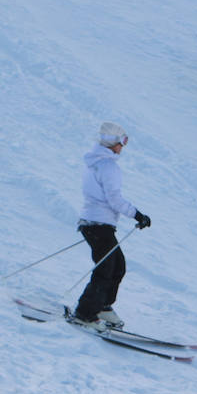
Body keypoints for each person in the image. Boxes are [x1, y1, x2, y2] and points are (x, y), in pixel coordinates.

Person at [72, 122, 151, 329]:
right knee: (106, 269)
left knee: (117, 266)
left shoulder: (95, 163)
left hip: (94, 223)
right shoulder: (108, 167)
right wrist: (138, 215)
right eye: (122, 142)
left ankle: (103, 306)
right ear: (112, 142)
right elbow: (114, 199)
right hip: (99, 224)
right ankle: (85, 313)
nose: (122, 147)